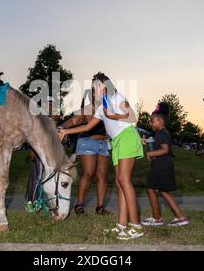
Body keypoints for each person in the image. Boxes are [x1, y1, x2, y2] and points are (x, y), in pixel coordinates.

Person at [59, 72, 144, 240]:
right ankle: (121, 224)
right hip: (117, 141)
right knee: (120, 183)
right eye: (93, 87)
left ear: (106, 86)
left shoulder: (117, 98)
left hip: (127, 137)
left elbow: (133, 116)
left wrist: (114, 115)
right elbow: (87, 126)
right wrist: (65, 131)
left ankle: (136, 226)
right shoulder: (100, 107)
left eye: (97, 86)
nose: (94, 90)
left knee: (125, 181)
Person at [59, 88, 111, 216]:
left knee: (102, 176)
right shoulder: (87, 110)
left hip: (103, 143)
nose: (98, 94)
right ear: (91, 95)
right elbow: (73, 121)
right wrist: (62, 127)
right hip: (87, 142)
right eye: (95, 92)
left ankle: (100, 207)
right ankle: (79, 204)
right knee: (88, 173)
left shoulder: (107, 108)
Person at [141, 103, 189, 227]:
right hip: (163, 164)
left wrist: (150, 153)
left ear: (160, 121)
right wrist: (149, 144)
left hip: (161, 165)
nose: (150, 124)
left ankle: (157, 219)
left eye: (152, 121)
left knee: (150, 188)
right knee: (163, 191)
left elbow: (165, 149)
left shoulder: (161, 133)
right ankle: (180, 217)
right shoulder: (162, 133)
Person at [25, 96, 60, 212]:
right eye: (47, 103)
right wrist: (32, 151)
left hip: (50, 151)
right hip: (38, 150)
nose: (49, 106)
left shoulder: (54, 118)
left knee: (48, 177)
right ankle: (30, 202)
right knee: (35, 176)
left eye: (51, 104)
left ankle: (43, 201)